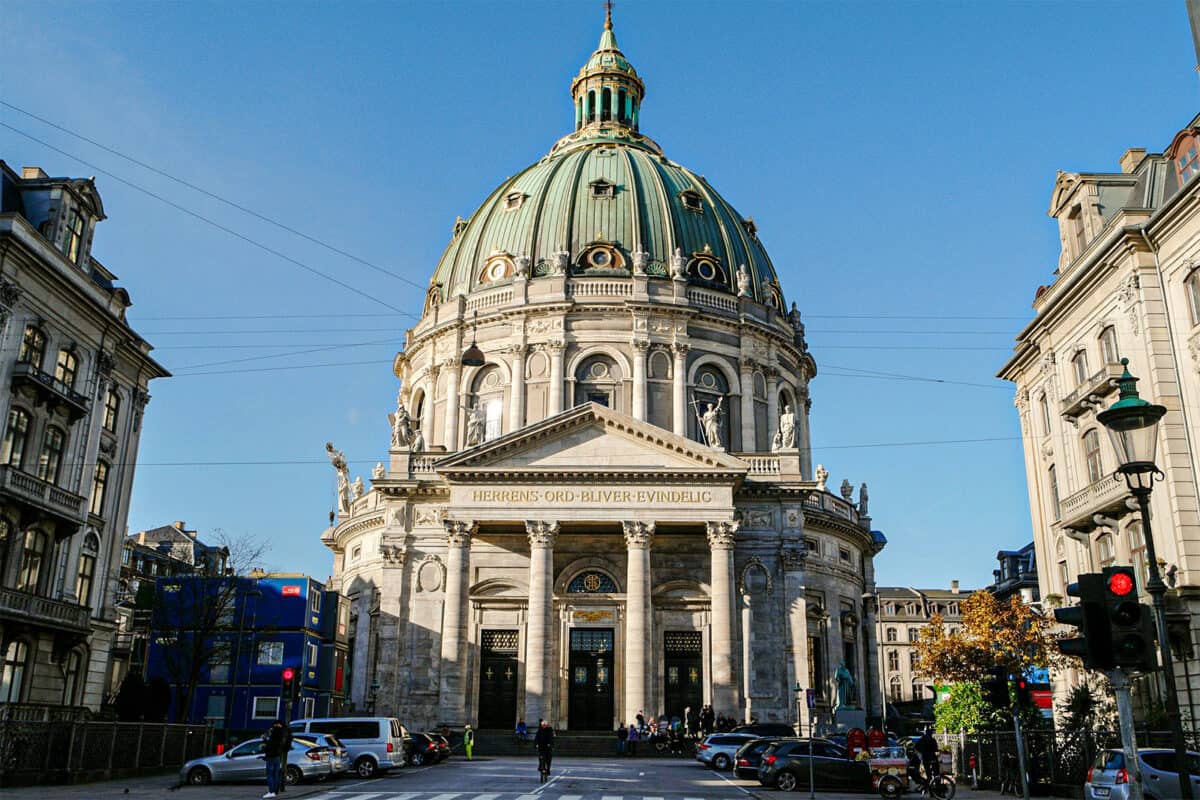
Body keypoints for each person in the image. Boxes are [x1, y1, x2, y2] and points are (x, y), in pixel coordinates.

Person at [261, 719, 290, 799]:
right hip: (278, 755)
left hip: (271, 755)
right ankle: (275, 791)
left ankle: (271, 791)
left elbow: (270, 746)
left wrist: (264, 741)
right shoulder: (283, 733)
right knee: (276, 773)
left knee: (270, 774)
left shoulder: (275, 734)